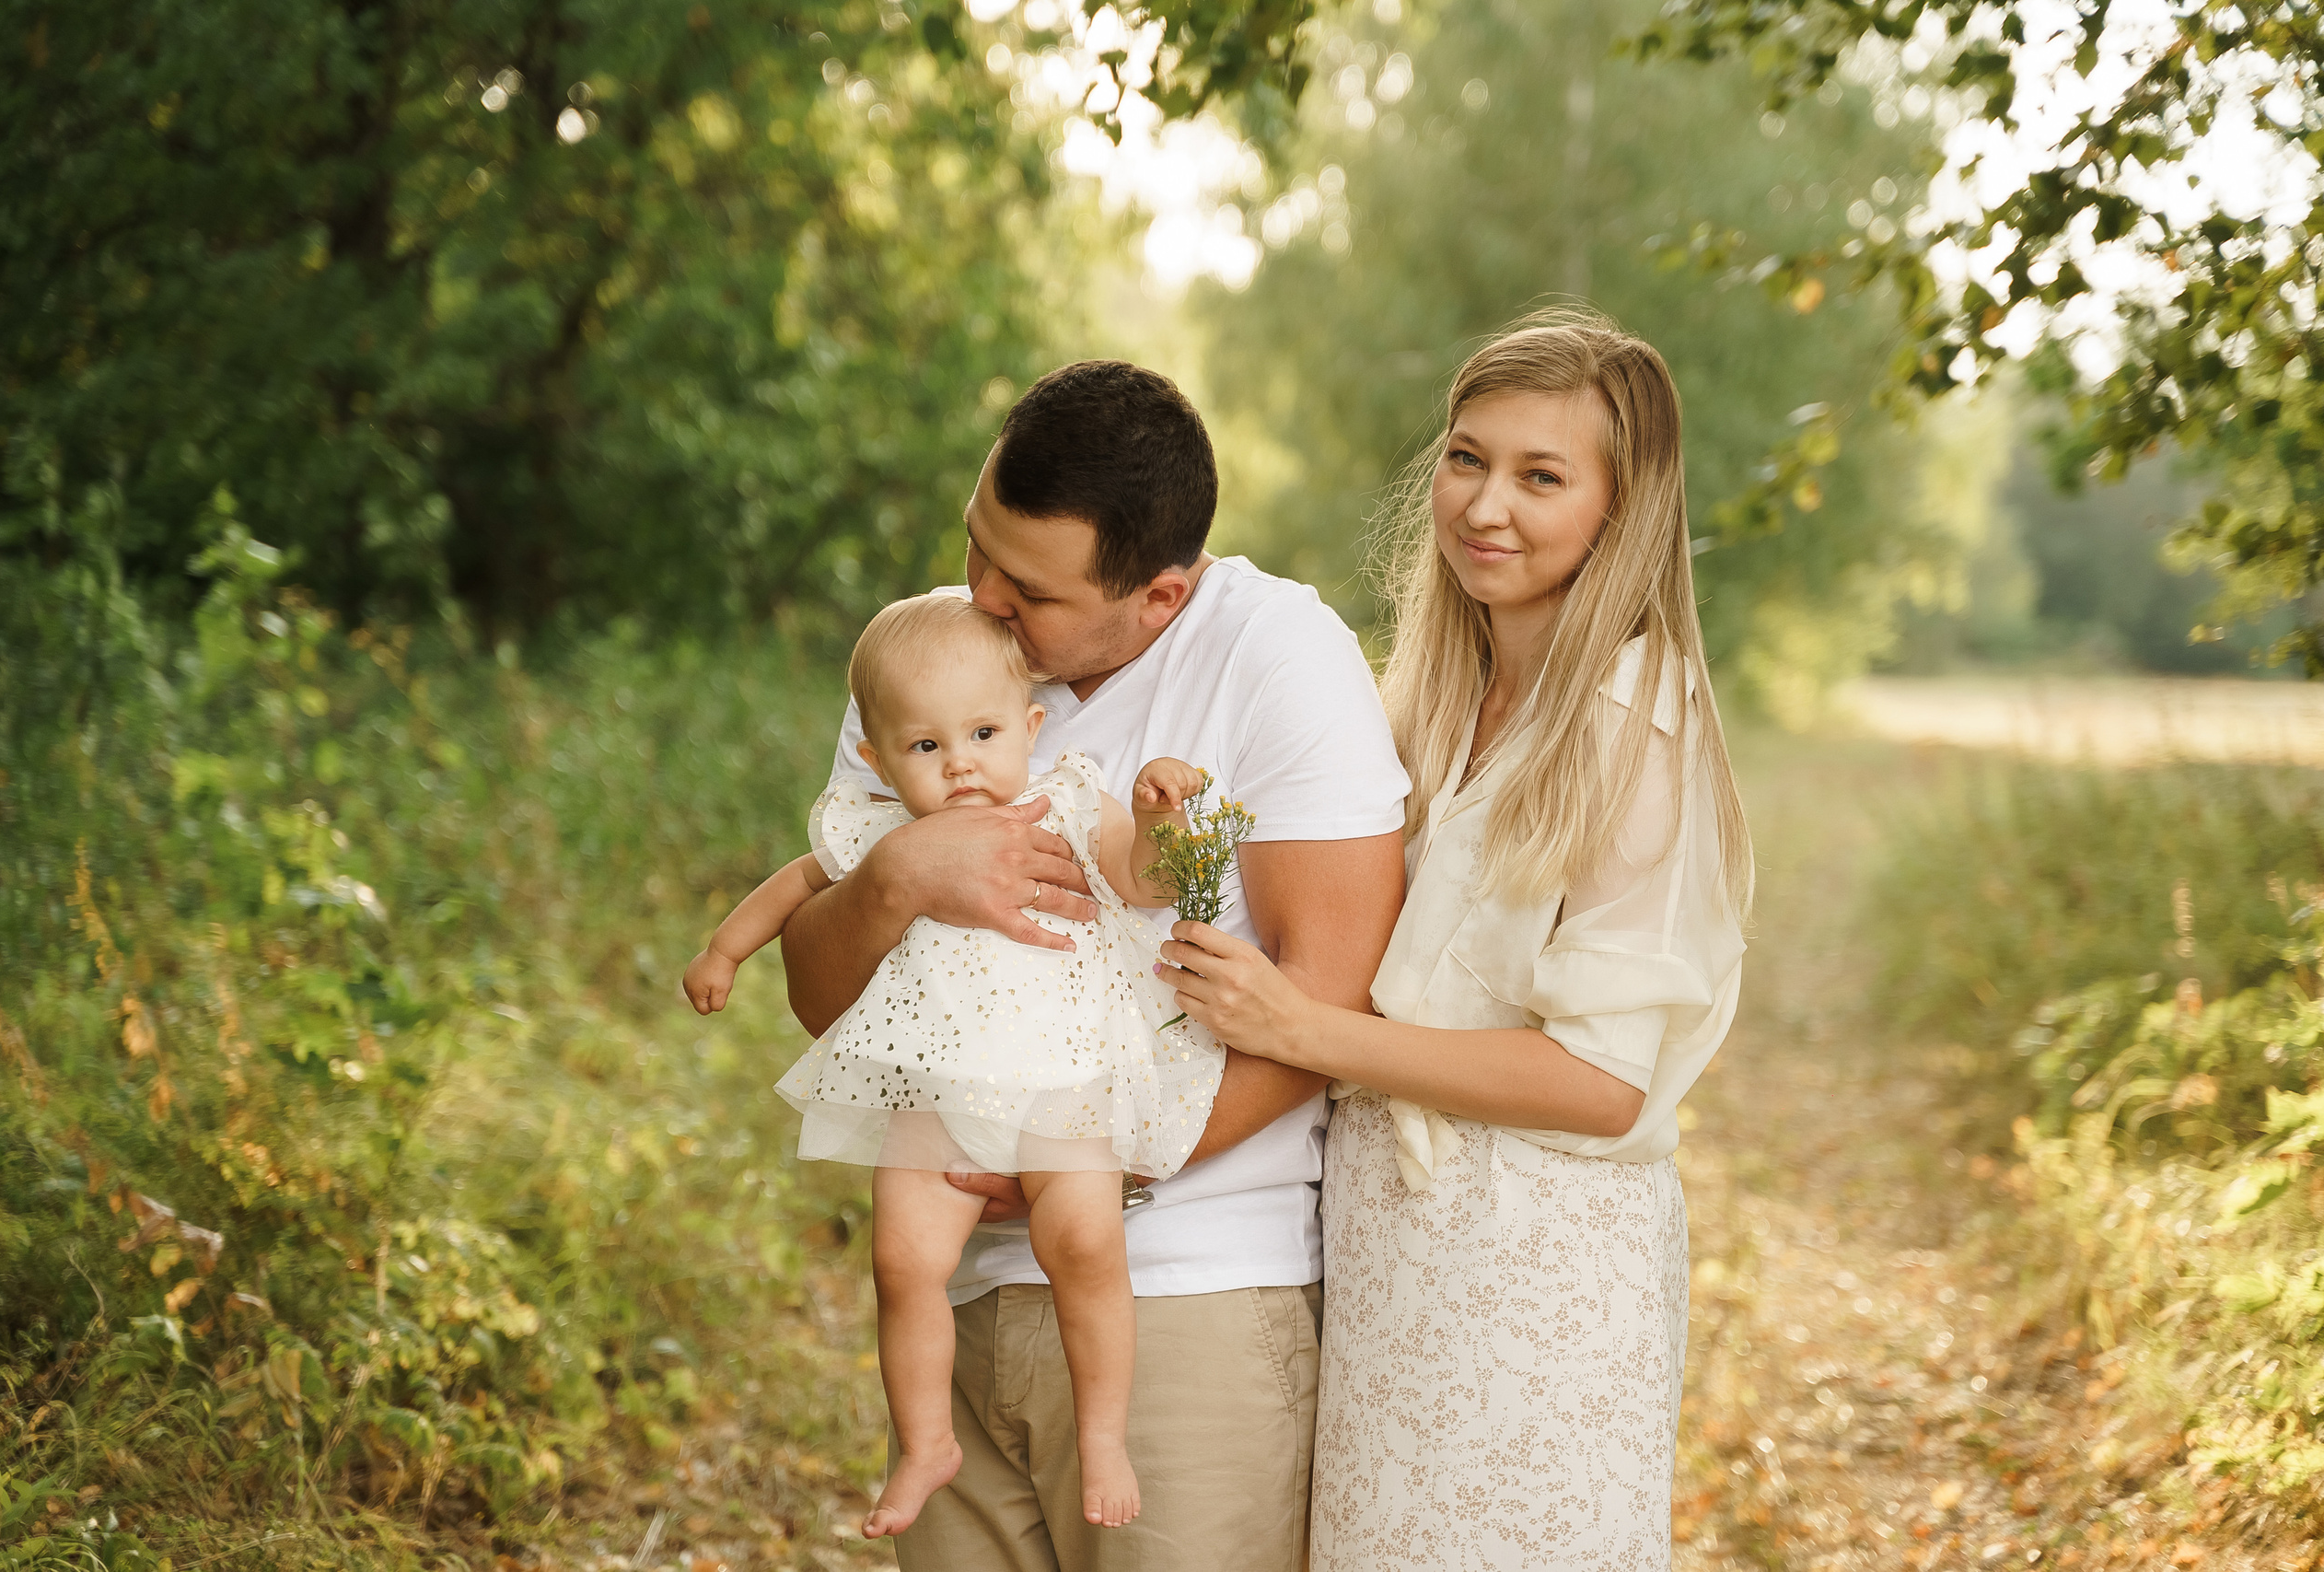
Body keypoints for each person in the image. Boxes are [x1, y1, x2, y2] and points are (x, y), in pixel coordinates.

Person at [779, 360, 1409, 1571]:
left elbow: (1331, 995)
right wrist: (903, 876)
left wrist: (1078, 1156)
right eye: (976, 548)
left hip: (1189, 1293)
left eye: (1028, 590)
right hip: (959, 1288)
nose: (981, 598)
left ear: (1159, 596)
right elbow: (823, 999)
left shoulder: (1280, 658)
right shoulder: (935, 663)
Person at [1158, 308, 1751, 1569]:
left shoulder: (1632, 729)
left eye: (1542, 476)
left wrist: (1314, 1032)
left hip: (1538, 1268)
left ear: (1620, 506)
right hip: (1391, 1254)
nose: (1486, 503)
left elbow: (1603, 1080)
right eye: (1467, 456)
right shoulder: (1425, 695)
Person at [682, 593, 1225, 1536]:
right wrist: (723, 952)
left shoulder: (1059, 798)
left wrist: (1160, 815)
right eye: (926, 747)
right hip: (933, 1085)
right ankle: (926, 1439)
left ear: (1030, 727)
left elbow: (1145, 881)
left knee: (1086, 1248)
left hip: (1064, 1080)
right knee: (903, 1262)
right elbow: (794, 884)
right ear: (878, 758)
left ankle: (1103, 1439)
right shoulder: (878, 826)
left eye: (980, 733)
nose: (960, 762)